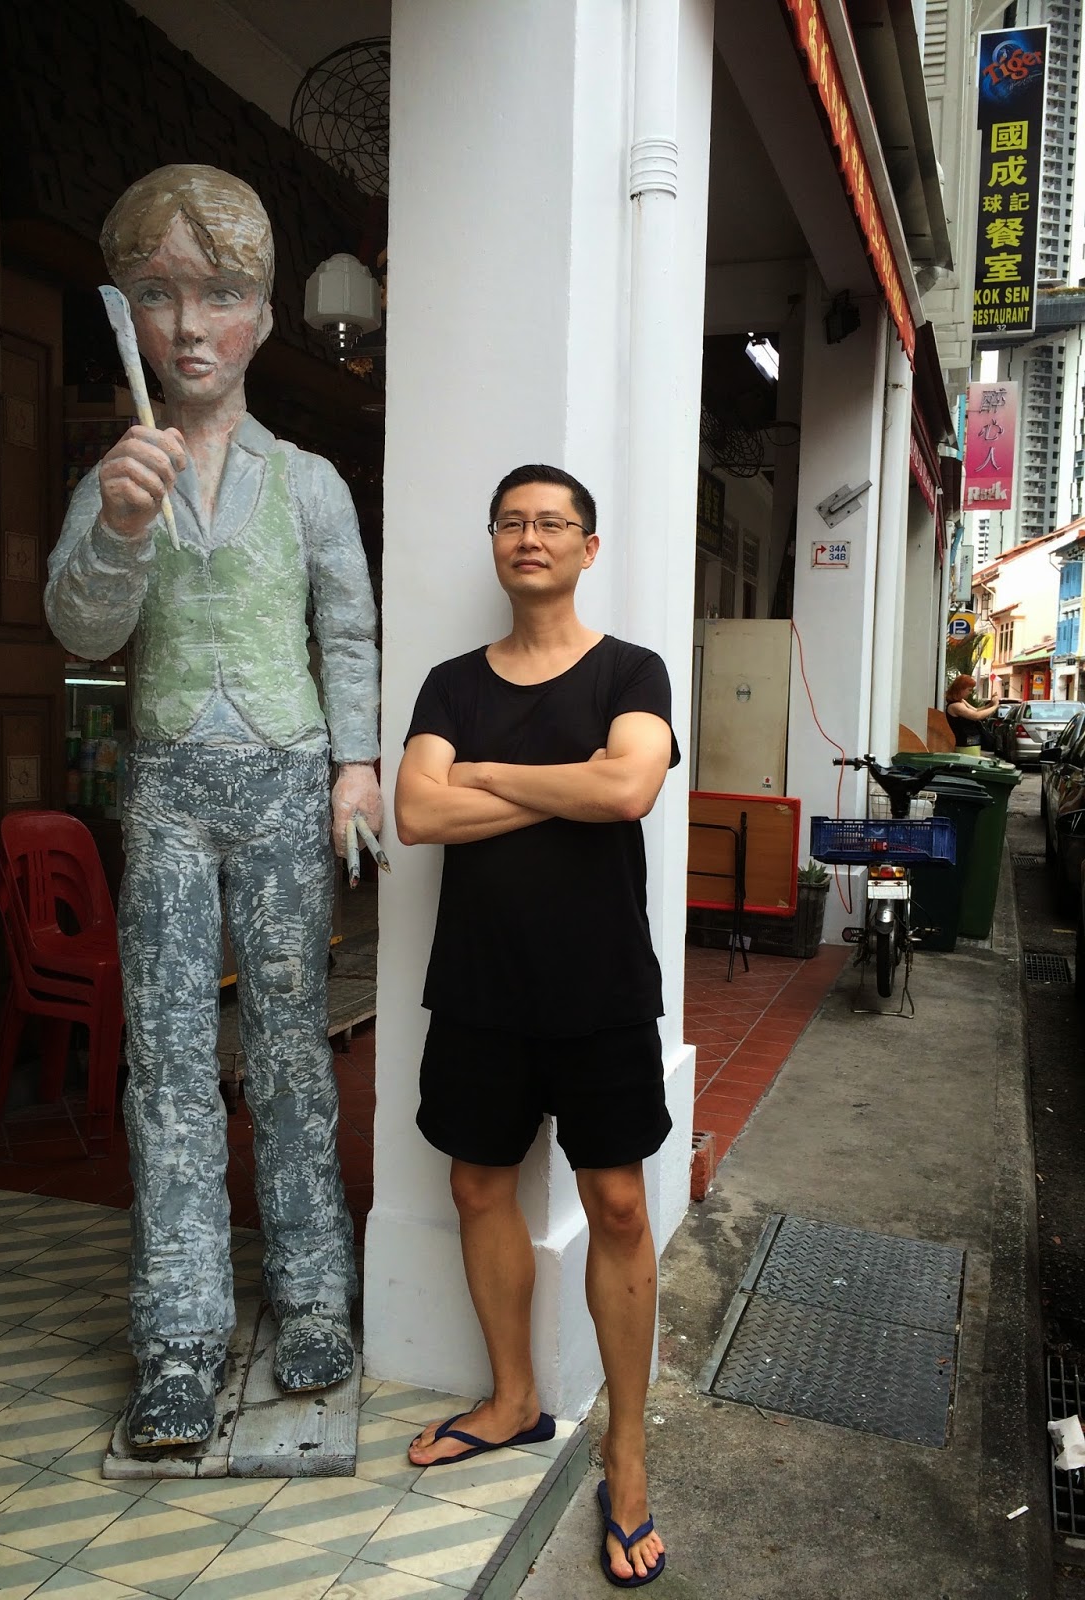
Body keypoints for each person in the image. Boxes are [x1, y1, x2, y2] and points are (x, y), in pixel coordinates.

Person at [44, 165, 382, 1449]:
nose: (190, 326)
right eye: (157, 294)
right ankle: (178, 1331)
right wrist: (121, 528)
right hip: (170, 790)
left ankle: (313, 1293)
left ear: (265, 316)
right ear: (125, 314)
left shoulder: (310, 482)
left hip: (288, 778)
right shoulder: (116, 475)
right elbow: (82, 626)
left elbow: (347, 628)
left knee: (291, 1047)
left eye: (222, 293)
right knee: (171, 1060)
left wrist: (356, 762)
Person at [394, 464, 678, 1588]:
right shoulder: (451, 683)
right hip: (480, 986)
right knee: (478, 1185)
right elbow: (417, 811)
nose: (530, 537)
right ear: (494, 542)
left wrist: (491, 777)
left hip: (601, 987)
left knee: (619, 1203)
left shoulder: (631, 670)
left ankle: (627, 1451)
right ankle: (513, 1398)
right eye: (512, 521)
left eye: (553, 522)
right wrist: (569, 780)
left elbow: (629, 792)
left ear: (587, 547)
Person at [945, 673, 998, 748]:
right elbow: (976, 716)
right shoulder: (956, 706)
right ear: (960, 689)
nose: (970, 693)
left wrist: (990, 705)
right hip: (964, 745)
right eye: (969, 690)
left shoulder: (961, 701)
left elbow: (976, 710)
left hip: (971, 743)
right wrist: (995, 706)